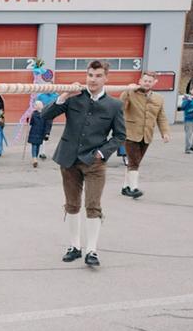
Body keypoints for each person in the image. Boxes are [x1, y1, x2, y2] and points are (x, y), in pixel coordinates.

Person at [41, 60, 126, 267]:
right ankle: (74, 246)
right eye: (90, 75)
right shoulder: (74, 98)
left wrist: (101, 152)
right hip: (69, 158)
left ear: (106, 77)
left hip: (94, 162)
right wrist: (63, 97)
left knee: (93, 206)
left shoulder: (114, 105)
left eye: (98, 76)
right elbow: (45, 115)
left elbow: (120, 136)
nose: (93, 80)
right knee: (72, 204)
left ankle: (92, 251)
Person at [119, 71, 171, 199]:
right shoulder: (131, 92)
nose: (147, 83)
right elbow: (120, 105)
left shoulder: (158, 98)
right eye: (145, 80)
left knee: (134, 162)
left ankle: (125, 187)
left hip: (147, 135)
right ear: (140, 81)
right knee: (134, 163)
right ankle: (134, 188)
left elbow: (161, 117)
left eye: (150, 81)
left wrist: (165, 132)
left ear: (154, 83)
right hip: (130, 133)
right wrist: (127, 90)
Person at [27, 99, 53, 168]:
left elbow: (48, 124)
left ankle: (35, 157)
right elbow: (31, 123)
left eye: (35, 105)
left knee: (37, 145)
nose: (34, 106)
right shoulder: (33, 114)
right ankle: (34, 158)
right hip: (34, 131)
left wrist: (47, 133)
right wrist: (28, 119)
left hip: (41, 132)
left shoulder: (46, 114)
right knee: (34, 145)